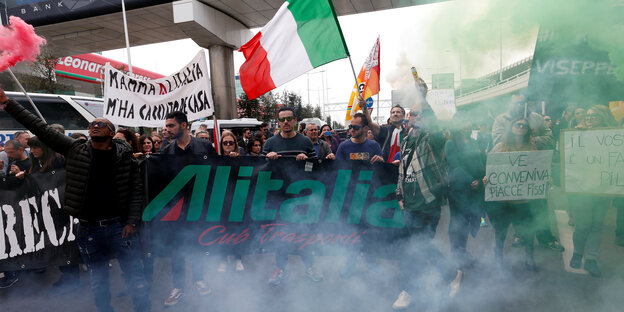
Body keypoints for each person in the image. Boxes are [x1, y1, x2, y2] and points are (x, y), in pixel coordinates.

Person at [0, 88, 151, 312]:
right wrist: (7, 104)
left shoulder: (125, 156)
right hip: (89, 230)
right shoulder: (75, 149)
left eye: (101, 124)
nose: (95, 125)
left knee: (135, 278)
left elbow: (136, 192)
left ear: (111, 133)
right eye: (92, 124)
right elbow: (40, 128)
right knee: (99, 282)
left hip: (120, 227)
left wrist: (131, 222)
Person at [393, 108, 462, 310]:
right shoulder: (405, 141)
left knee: (418, 245)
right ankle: (447, 274)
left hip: (428, 201)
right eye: (413, 115)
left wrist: (424, 98)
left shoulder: (432, 139)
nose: (416, 118)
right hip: (410, 204)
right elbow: (402, 172)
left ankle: (412, 288)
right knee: (417, 245)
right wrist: (400, 195)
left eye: (421, 115)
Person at [492, 93, 563, 252]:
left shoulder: (537, 118)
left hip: (533, 172)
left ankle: (545, 238)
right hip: (512, 175)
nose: (519, 105)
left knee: (540, 207)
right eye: (516, 103)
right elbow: (497, 141)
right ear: (510, 104)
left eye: (522, 103)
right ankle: (521, 235)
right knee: (517, 206)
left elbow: (549, 137)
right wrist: (518, 141)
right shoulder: (501, 120)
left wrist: (532, 141)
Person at [160, 111, 216, 306]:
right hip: (176, 210)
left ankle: (199, 280)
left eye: (171, 125)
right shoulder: (166, 151)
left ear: (184, 125)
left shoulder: (205, 146)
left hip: (201, 207)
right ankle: (178, 287)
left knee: (199, 245)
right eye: (166, 126)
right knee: (177, 249)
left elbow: (217, 174)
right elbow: (162, 181)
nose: (167, 129)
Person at [262, 107, 322, 286]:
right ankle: (280, 270)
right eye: (282, 119)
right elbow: (261, 171)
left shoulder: (305, 141)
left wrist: (306, 162)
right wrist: (267, 159)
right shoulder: (270, 143)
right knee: (280, 235)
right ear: (278, 122)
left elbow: (314, 170)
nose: (285, 122)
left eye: (289, 118)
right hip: (278, 197)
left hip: (301, 197)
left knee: (303, 234)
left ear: (295, 120)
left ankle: (310, 267)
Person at [568, 105, 617, 277]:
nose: (589, 119)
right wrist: (576, 136)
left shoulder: (614, 137)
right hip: (580, 189)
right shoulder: (576, 135)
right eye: (587, 116)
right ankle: (577, 253)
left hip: (602, 189)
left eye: (594, 116)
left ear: (604, 118)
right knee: (582, 225)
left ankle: (591, 259)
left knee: (597, 225)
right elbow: (568, 158)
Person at [486, 118, 538, 271]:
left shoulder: (532, 147)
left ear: (528, 129)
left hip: (524, 201)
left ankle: (529, 258)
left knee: (528, 233)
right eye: (518, 124)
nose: (521, 127)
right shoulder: (500, 147)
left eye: (525, 125)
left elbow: (537, 169)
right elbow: (490, 168)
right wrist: (487, 178)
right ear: (511, 128)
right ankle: (498, 260)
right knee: (500, 233)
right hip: (504, 201)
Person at [445, 118, 485, 270]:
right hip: (457, 189)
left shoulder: (474, 143)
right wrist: (470, 181)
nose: (467, 129)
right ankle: (456, 253)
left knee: (468, 219)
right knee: (458, 221)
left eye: (469, 126)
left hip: (473, 189)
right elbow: (455, 165)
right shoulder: (451, 143)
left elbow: (480, 164)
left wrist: (480, 180)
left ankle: (462, 251)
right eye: (463, 126)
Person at [215, 130, 246, 273]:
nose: (228, 145)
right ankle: (222, 259)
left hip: (237, 199)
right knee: (221, 230)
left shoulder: (242, 158)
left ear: (235, 144)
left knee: (237, 231)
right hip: (220, 200)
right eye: (225, 143)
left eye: (230, 143)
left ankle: (238, 258)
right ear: (221, 144)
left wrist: (237, 160)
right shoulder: (215, 158)